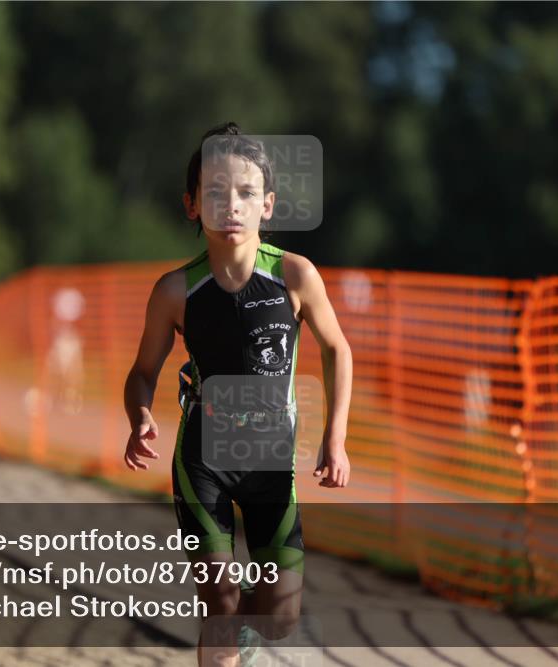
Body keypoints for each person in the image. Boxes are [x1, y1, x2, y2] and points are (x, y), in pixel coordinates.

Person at [123, 122, 353, 666]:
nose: (232, 205)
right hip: (202, 462)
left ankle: (242, 627)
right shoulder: (175, 291)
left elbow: (337, 350)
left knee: (280, 619)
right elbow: (142, 372)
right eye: (216, 192)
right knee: (220, 603)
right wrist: (140, 416)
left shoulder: (295, 275)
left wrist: (335, 438)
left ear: (267, 205)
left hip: (271, 466)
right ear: (191, 204)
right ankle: (226, 626)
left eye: (247, 192)